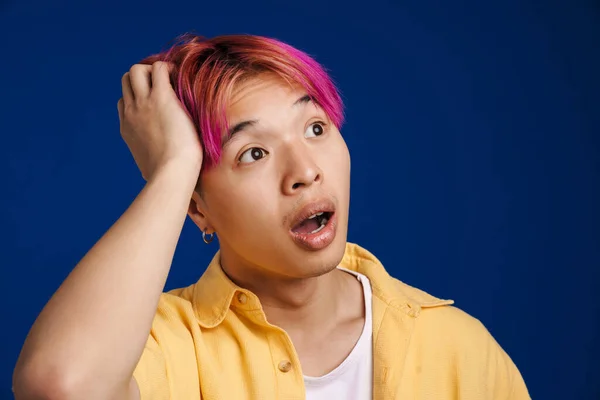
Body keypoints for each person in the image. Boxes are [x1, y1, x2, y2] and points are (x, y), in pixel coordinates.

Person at [12, 33, 530, 400]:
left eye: (316, 128)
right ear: (197, 206)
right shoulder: (166, 349)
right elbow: (62, 385)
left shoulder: (460, 349)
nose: (304, 171)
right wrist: (173, 169)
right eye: (253, 154)